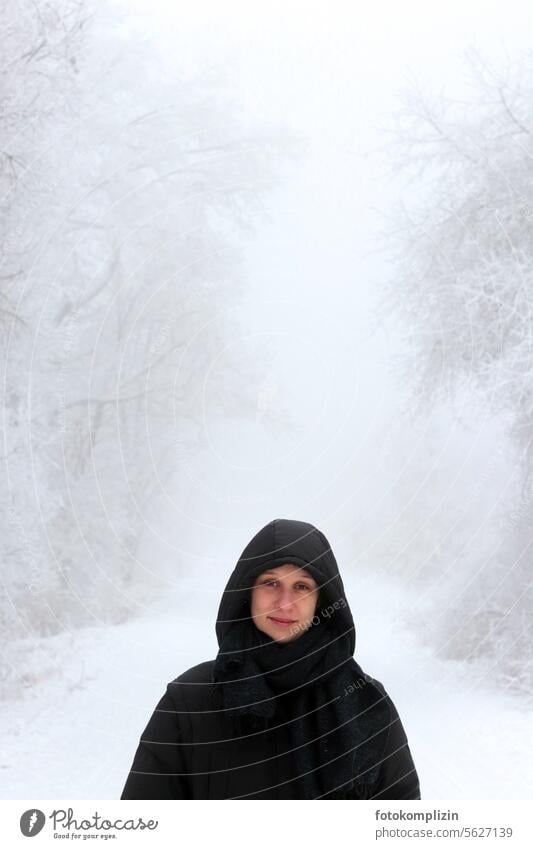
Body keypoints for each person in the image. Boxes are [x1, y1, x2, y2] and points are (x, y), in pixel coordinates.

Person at [120, 518, 421, 799]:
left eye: (302, 586)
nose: (285, 603)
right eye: (270, 583)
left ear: (322, 599)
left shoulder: (364, 701)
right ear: (247, 591)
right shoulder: (188, 701)